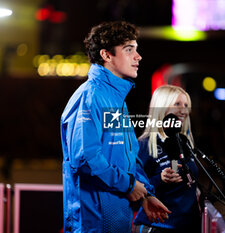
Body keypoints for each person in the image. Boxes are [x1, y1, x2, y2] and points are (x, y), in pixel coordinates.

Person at [60, 21, 171, 233]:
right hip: (93, 222)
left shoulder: (116, 99)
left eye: (136, 50)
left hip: (117, 219)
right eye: (129, 50)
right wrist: (129, 186)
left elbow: (129, 157)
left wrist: (145, 194)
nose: (138, 57)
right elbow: (86, 159)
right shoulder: (90, 97)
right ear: (106, 55)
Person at [132, 85, 201, 233]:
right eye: (177, 104)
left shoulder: (184, 144)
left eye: (186, 105)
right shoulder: (144, 145)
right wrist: (160, 179)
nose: (184, 110)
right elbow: (132, 188)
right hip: (157, 227)